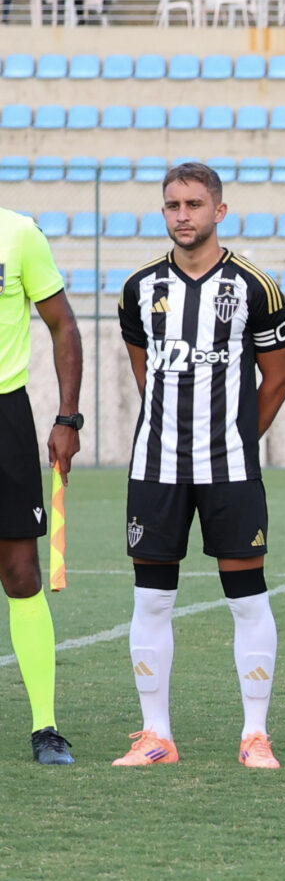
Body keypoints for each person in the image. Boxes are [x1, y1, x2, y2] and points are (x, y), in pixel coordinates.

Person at [112, 164, 285, 770]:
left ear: (219, 210)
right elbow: (145, 371)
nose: (182, 215)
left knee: (246, 599)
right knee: (152, 600)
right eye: (171, 205)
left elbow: (279, 377)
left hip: (231, 469)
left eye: (193, 204)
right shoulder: (139, 287)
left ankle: (255, 734)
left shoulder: (254, 286)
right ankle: (155, 734)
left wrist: (236, 436)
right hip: (156, 467)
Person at [0, 201, 81, 765]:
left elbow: (62, 324)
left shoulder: (19, 233)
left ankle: (45, 727)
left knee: (21, 571)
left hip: (6, 414)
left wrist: (66, 416)